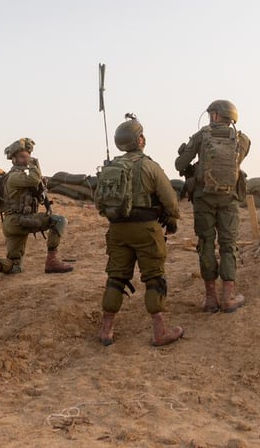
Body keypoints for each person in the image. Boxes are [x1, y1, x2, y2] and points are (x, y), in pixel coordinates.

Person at [97, 118, 184, 347]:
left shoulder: (110, 168)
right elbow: (171, 202)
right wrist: (172, 219)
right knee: (155, 278)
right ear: (140, 140)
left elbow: (100, 205)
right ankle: (159, 332)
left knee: (116, 277)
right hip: (146, 229)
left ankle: (106, 330)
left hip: (117, 230)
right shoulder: (149, 166)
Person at [174, 100, 251, 313]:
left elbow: (179, 165)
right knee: (229, 245)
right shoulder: (242, 140)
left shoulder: (201, 136)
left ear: (216, 116)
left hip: (203, 198)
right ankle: (228, 297)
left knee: (206, 243)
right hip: (229, 199)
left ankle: (210, 298)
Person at [0, 138, 73, 276]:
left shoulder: (16, 177)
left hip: (12, 223)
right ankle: (52, 262)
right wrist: (34, 165)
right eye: (23, 157)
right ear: (14, 159)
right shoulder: (14, 177)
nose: (27, 160)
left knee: (15, 266)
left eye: (28, 157)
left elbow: (38, 192)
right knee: (60, 221)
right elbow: (34, 179)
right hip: (20, 221)